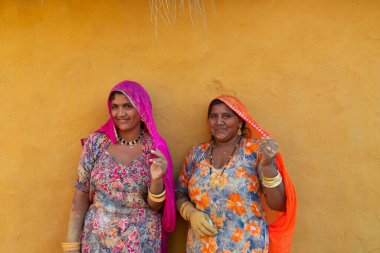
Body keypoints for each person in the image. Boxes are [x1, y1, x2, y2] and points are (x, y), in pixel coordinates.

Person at [62, 80, 176, 253]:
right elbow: (80, 196)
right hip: (97, 240)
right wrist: (71, 247)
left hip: (140, 241)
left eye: (127, 106)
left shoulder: (153, 148)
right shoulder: (96, 143)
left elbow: (156, 206)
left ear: (142, 108)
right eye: (115, 106)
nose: (120, 113)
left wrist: (156, 179)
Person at [176, 95, 297, 253]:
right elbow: (178, 193)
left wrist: (268, 166)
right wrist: (191, 213)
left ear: (240, 121)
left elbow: (278, 205)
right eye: (214, 116)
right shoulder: (196, 154)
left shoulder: (255, 151)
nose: (219, 122)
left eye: (226, 116)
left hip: (246, 245)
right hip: (201, 246)